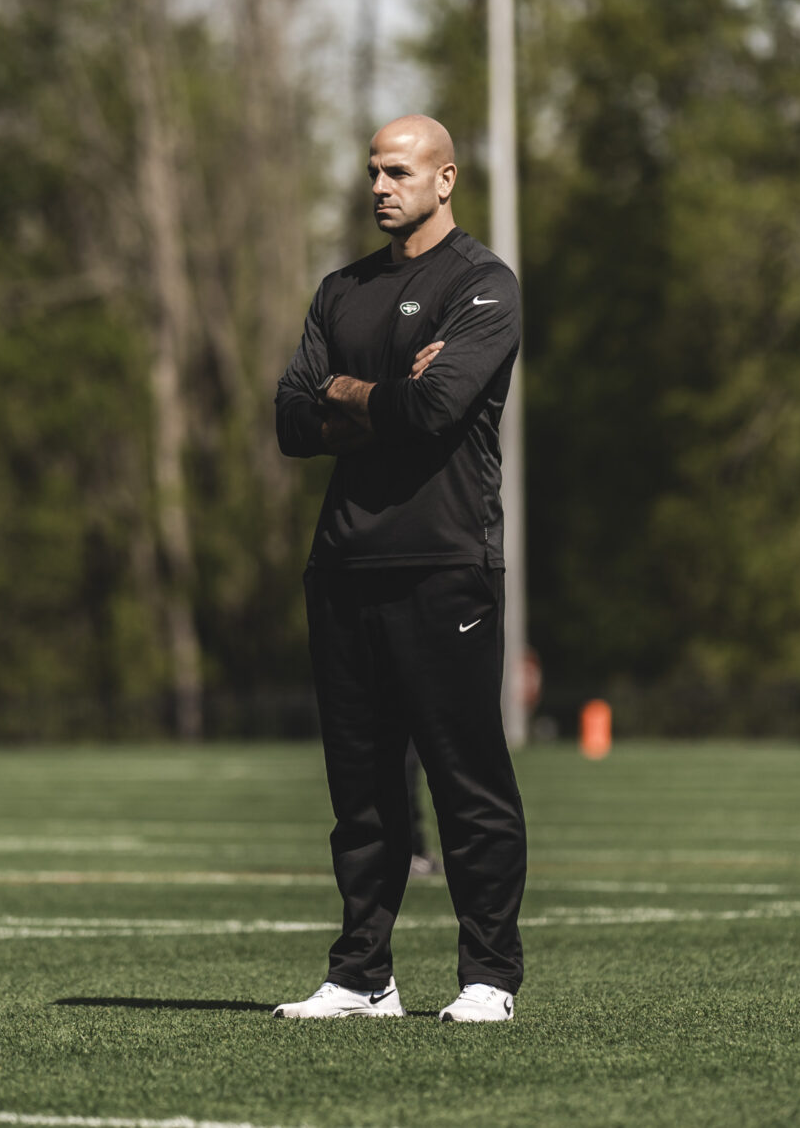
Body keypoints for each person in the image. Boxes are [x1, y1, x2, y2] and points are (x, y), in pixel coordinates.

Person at [269, 114, 526, 1025]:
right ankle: (363, 976)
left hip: (445, 564)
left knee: (467, 779)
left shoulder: (483, 284)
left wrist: (354, 392)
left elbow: (438, 407)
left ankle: (488, 975)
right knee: (361, 792)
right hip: (342, 567)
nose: (381, 184)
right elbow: (294, 419)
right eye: (373, 170)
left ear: (446, 177)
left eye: (400, 170)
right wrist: (372, 394)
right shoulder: (341, 290)